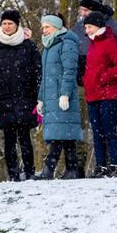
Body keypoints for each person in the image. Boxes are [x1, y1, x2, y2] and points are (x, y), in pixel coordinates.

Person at [0, 9, 42, 181]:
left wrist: (39, 101)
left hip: (26, 100)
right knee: (9, 139)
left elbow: (38, 73)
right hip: (3, 102)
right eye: (4, 23)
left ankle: (30, 172)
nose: (7, 27)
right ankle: (13, 174)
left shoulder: (28, 47)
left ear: (17, 25)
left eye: (10, 23)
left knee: (25, 138)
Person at [35, 14, 85, 179]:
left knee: (59, 134)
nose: (44, 30)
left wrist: (65, 94)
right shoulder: (48, 46)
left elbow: (69, 71)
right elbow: (45, 75)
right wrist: (41, 98)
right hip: (50, 97)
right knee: (65, 134)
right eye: (43, 27)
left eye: (47, 26)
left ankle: (49, 169)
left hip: (62, 96)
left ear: (56, 26)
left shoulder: (66, 43)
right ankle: (72, 169)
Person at [82, 10, 117, 177]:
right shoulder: (91, 45)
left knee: (109, 130)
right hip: (93, 95)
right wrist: (86, 81)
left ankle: (114, 165)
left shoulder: (109, 42)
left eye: (89, 26)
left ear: (97, 26)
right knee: (96, 132)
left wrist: (105, 77)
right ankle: (100, 166)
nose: (86, 30)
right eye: (85, 27)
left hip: (109, 94)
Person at [72, 0, 117, 107]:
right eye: (81, 10)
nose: (82, 14)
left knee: (103, 123)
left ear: (96, 11)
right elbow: (69, 51)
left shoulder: (113, 28)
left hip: (106, 87)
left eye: (86, 10)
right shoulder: (78, 27)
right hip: (82, 86)